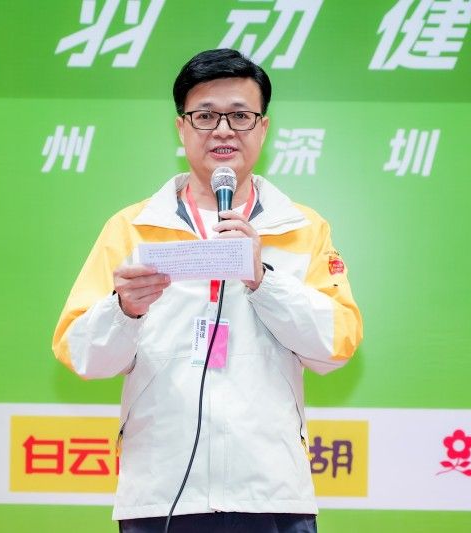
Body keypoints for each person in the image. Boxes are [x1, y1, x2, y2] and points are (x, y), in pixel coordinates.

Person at [52, 48, 363, 533]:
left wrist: (262, 279)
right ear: (181, 128)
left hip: (270, 492)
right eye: (205, 116)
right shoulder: (132, 228)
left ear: (263, 127)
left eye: (240, 115)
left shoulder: (302, 228)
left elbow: (336, 347)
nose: (223, 130)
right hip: (161, 494)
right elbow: (82, 356)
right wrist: (124, 311)